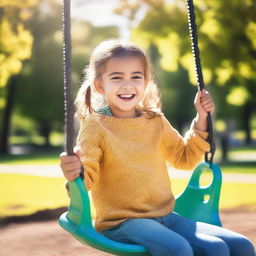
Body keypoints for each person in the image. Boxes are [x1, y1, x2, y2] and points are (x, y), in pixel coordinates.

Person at [60, 39, 255, 256]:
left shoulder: (154, 120)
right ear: (100, 85)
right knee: (179, 248)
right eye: (117, 78)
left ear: (146, 81)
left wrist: (201, 117)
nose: (127, 85)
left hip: (166, 216)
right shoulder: (96, 126)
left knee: (237, 246)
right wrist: (75, 173)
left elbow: (185, 158)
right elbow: (86, 179)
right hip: (122, 222)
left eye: (136, 77)